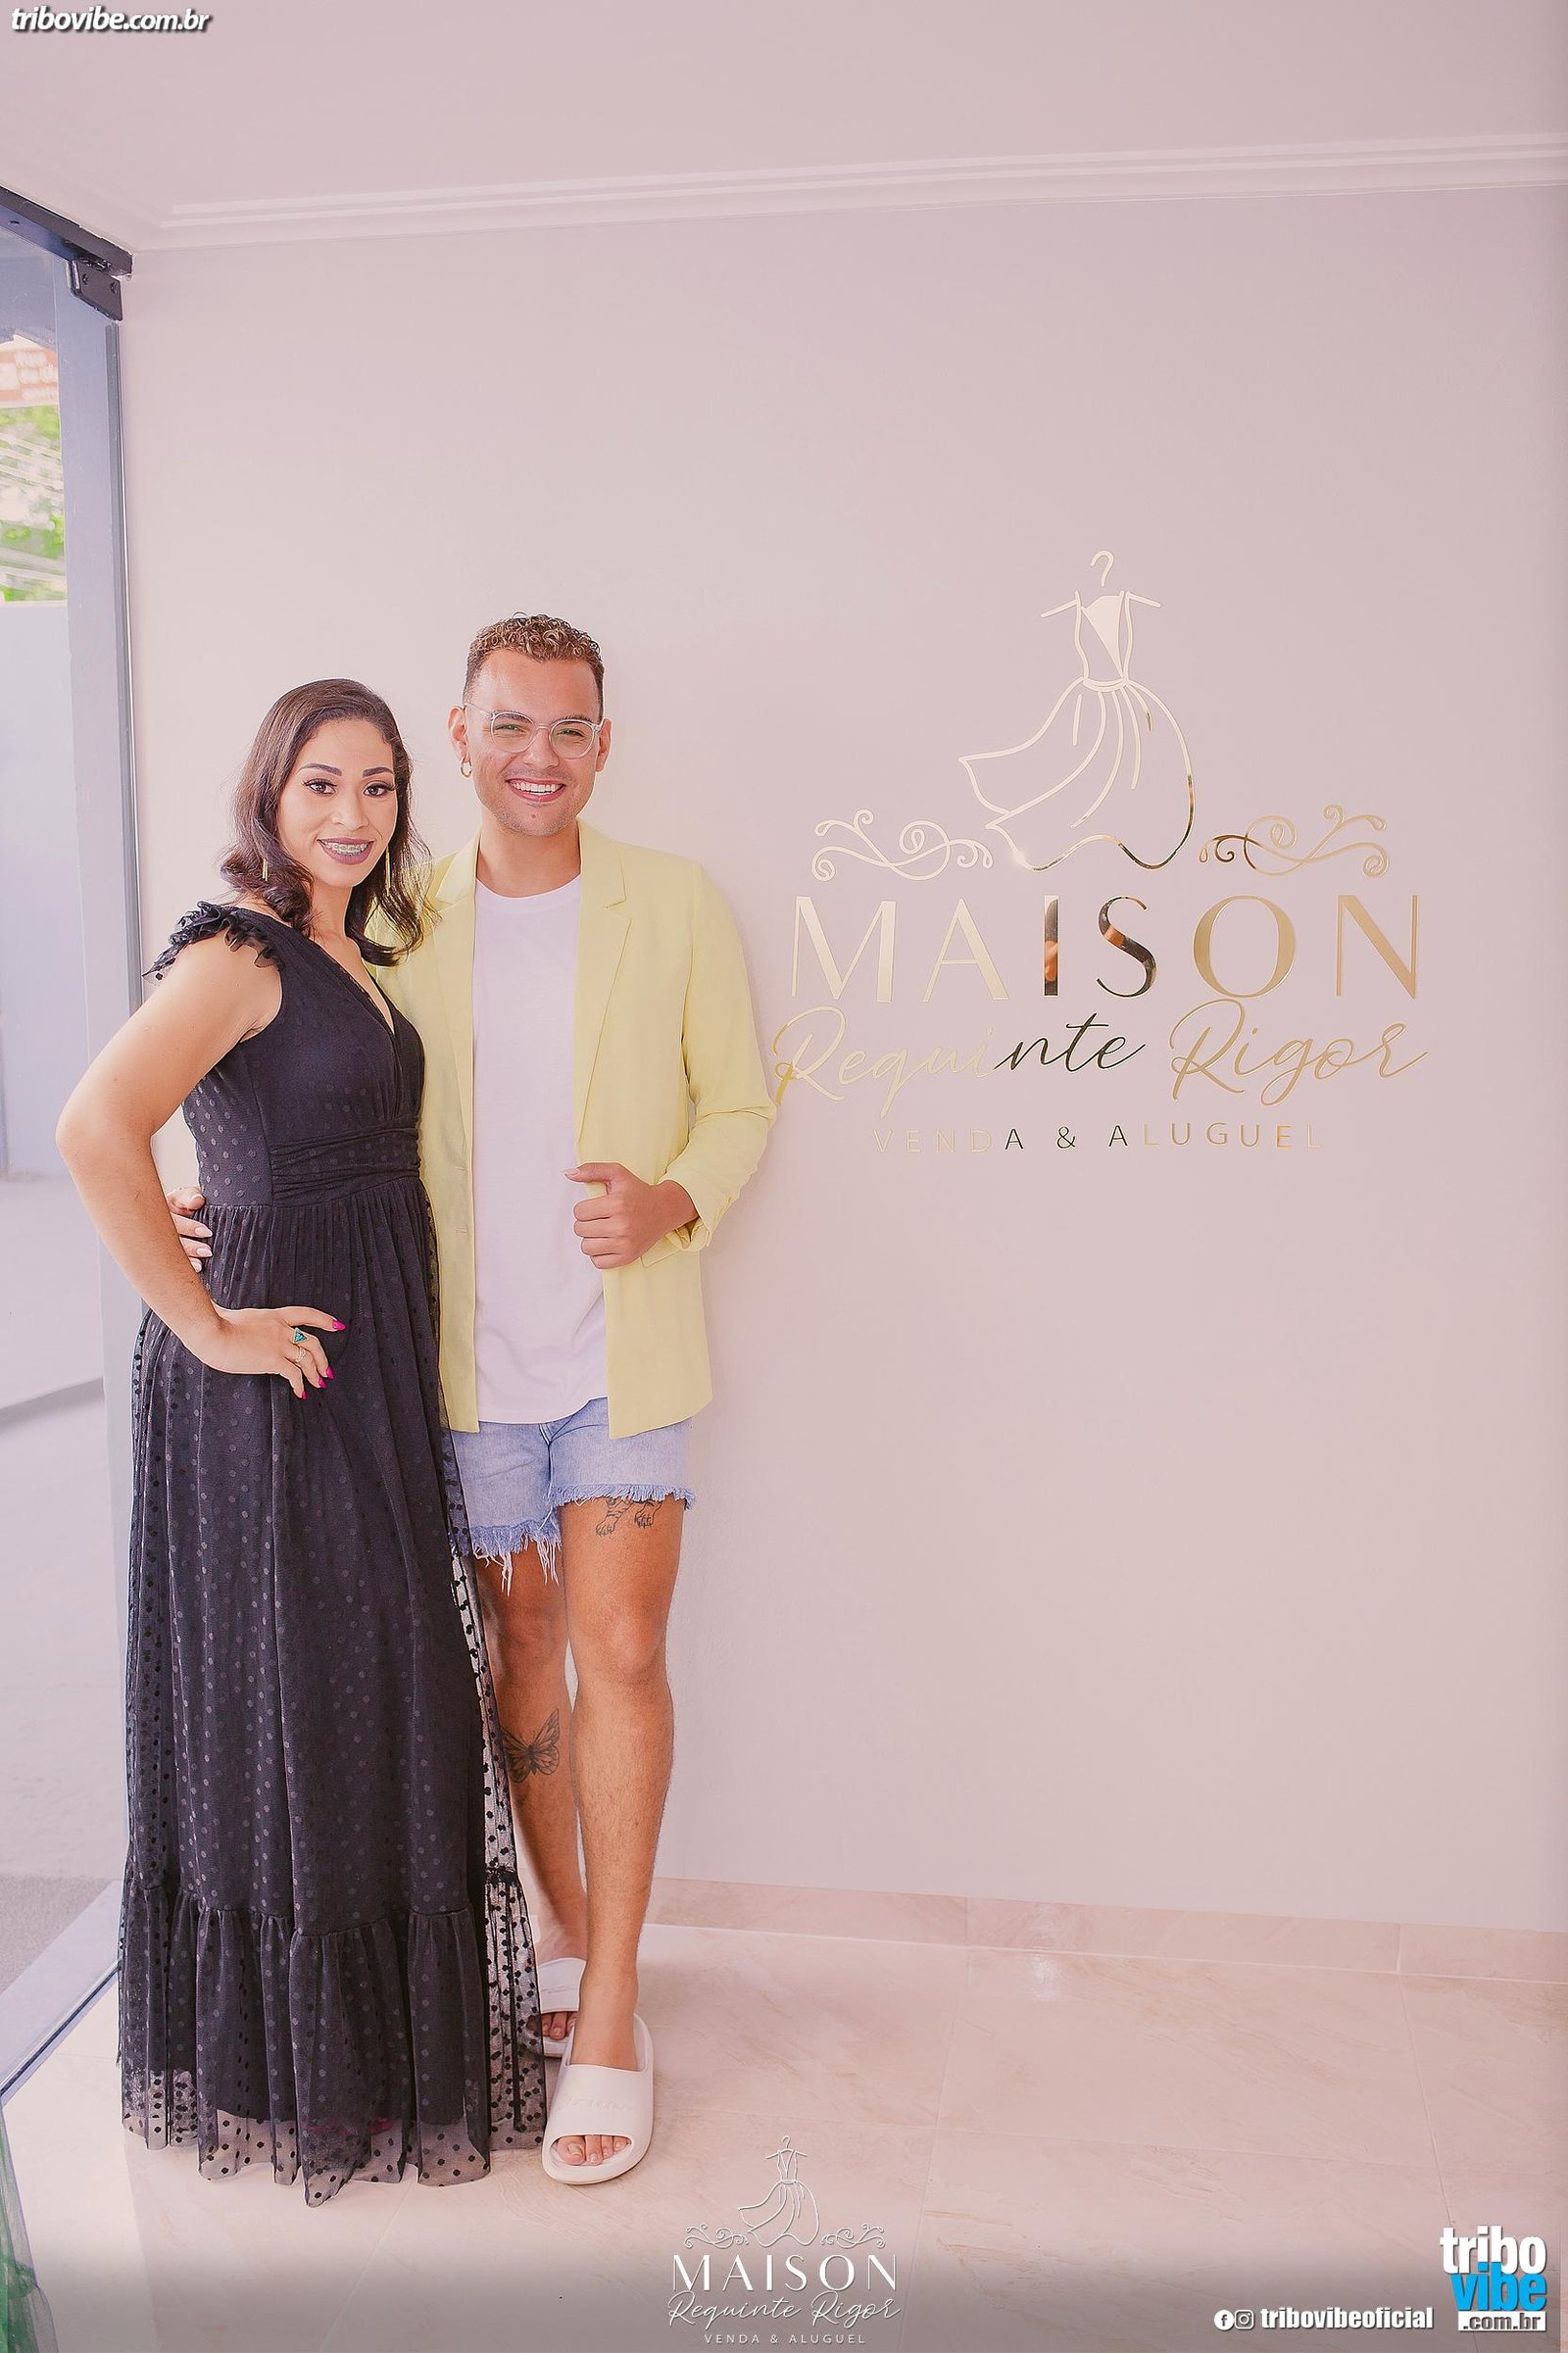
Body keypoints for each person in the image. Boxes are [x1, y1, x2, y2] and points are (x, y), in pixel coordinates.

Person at [176, 613, 775, 2182]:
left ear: (603, 743)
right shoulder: (395, 920)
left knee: (621, 1649)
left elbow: (742, 1103)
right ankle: (566, 1932)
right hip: (455, 1369)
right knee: (516, 1652)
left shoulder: (675, 902)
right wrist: (216, 1205)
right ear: (460, 737)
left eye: (570, 727)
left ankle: (613, 2012)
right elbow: (313, 1096)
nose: (539, 754)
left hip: (623, 1355)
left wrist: (671, 1198)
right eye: (509, 724)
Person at [59, 679, 549, 2205]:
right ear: (270, 792)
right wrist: (205, 1321)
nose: (352, 813)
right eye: (323, 783)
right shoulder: (238, 948)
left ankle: (370, 2059)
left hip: (367, 1364)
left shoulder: (352, 950)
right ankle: (296, 2075)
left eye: (380, 785)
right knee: (313, 1697)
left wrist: (231, 1193)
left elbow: (260, 1135)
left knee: (383, 1690)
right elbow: (94, 1124)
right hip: (278, 1384)